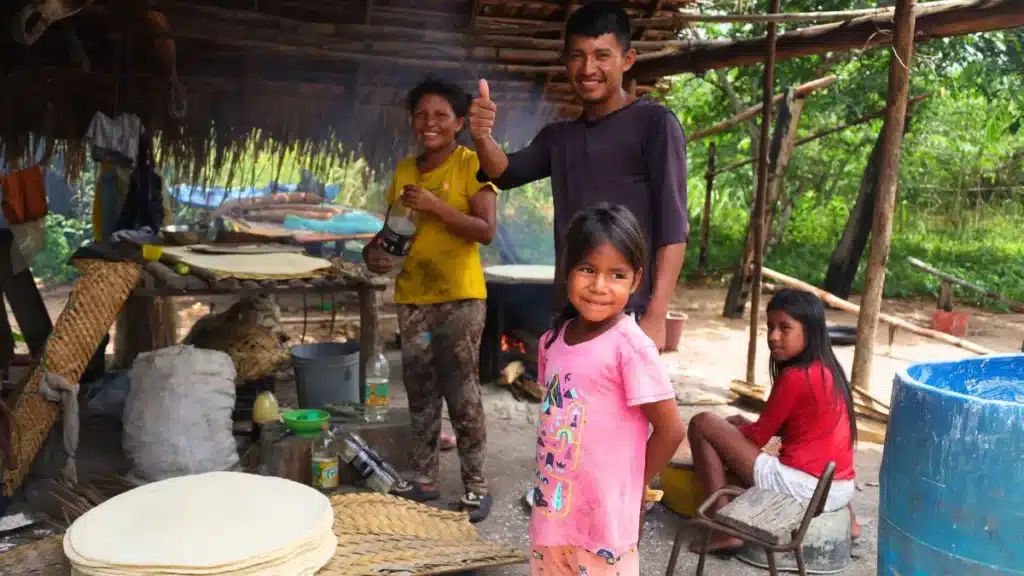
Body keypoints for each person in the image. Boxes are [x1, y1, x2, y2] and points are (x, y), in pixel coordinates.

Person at [468, 1, 689, 351]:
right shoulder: (560, 137)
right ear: (566, 61)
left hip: (628, 312)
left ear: (627, 60)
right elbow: (504, 172)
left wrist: (657, 314)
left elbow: (674, 229)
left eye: (602, 55)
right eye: (577, 56)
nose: (588, 68)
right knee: (569, 406)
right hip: (570, 312)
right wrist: (481, 135)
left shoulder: (655, 124)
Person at [362, 77, 497, 522]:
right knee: (420, 392)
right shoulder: (404, 170)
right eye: (421, 115)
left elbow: (486, 230)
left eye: (441, 115)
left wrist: (436, 207)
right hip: (413, 297)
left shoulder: (471, 165)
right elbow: (391, 235)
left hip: (459, 297)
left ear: (459, 122)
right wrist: (375, 254)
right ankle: (424, 479)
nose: (429, 123)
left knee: (462, 392)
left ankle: (476, 484)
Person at [528, 203, 685, 576]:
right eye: (587, 270)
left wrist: (633, 489)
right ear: (567, 271)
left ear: (635, 280)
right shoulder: (552, 342)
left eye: (616, 274)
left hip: (604, 524)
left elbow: (671, 429)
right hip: (553, 514)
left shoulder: (630, 346)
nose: (599, 286)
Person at [686, 289, 860, 553]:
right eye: (770, 327)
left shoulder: (795, 376)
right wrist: (739, 427)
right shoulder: (829, 370)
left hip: (803, 488)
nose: (773, 336)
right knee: (824, 451)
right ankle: (852, 524)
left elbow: (758, 436)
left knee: (703, 422)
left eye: (784, 328)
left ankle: (724, 529)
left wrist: (731, 430)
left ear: (810, 331)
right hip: (839, 489)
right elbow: (784, 427)